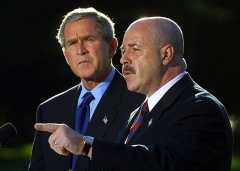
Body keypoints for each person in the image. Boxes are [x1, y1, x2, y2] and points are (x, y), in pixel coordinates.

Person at [34, 16, 233, 171]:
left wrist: (86, 146)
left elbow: (164, 164)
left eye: (134, 49)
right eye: (123, 50)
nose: (123, 59)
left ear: (166, 54)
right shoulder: (139, 112)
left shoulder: (201, 108)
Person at [28, 7, 145, 171]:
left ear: (111, 47)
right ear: (66, 56)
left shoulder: (140, 101)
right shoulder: (50, 109)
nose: (80, 50)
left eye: (89, 39)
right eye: (72, 43)